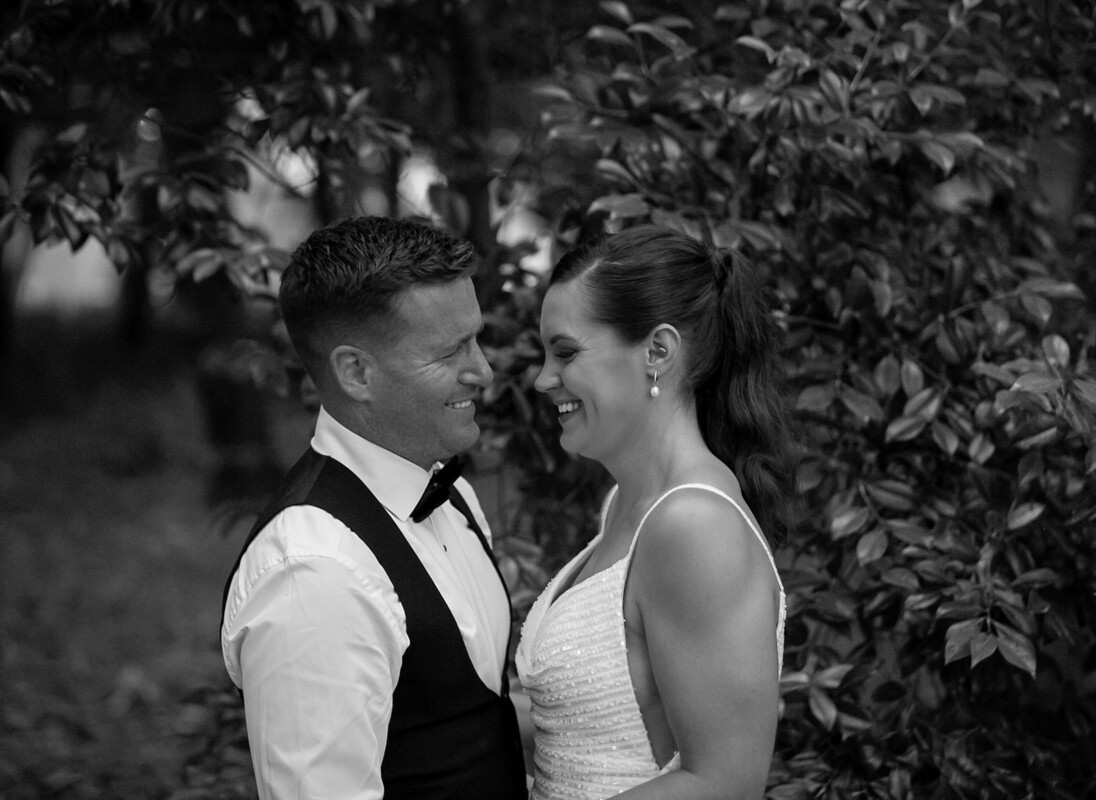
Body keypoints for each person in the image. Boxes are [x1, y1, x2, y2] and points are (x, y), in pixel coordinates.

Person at [220, 216, 527, 799]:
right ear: (356, 372)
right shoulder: (313, 572)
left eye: (477, 339)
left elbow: (466, 726)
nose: (483, 371)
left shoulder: (447, 489)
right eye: (450, 351)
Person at [515, 225, 793, 799]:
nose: (544, 379)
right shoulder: (627, 503)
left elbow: (725, 784)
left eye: (565, 352)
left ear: (658, 352)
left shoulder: (693, 524)